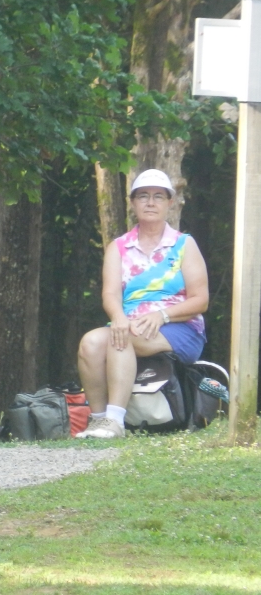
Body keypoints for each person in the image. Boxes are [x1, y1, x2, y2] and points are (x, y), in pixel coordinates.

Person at [76, 169, 209, 439]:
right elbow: (111, 294)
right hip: (131, 324)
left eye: (158, 196)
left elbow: (200, 300)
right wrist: (119, 317)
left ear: (169, 203)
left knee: (122, 338)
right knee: (90, 343)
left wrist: (162, 316)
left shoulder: (184, 245)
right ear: (133, 202)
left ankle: (115, 420)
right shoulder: (119, 247)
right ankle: (99, 420)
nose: (151, 202)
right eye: (143, 196)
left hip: (179, 326)